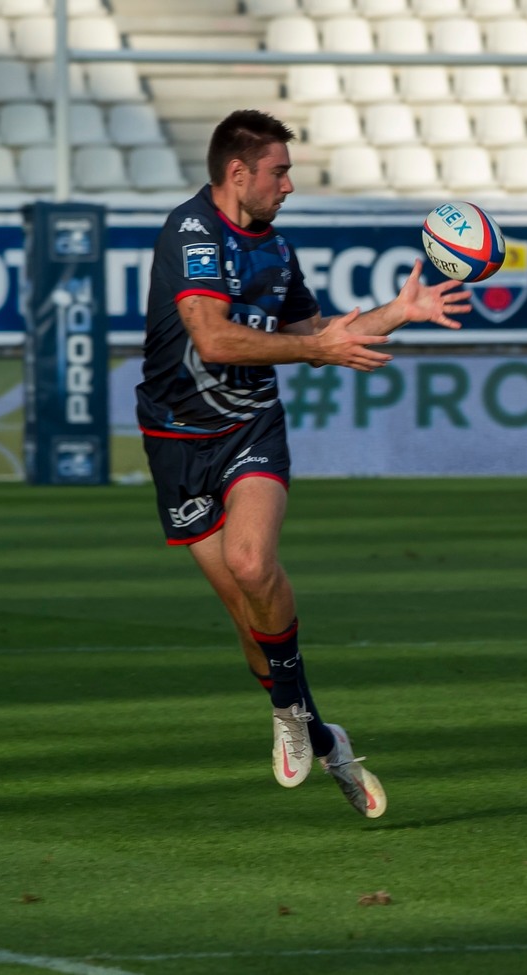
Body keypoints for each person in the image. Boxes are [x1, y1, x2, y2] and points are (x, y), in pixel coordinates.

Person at [136, 109, 470, 819]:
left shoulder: (277, 251)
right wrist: (319, 350)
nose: (288, 184)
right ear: (237, 173)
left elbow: (312, 332)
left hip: (251, 425)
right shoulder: (191, 232)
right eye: (279, 171)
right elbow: (213, 337)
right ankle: (319, 731)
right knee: (245, 612)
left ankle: (289, 712)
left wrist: (397, 312)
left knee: (254, 564)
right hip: (174, 439)